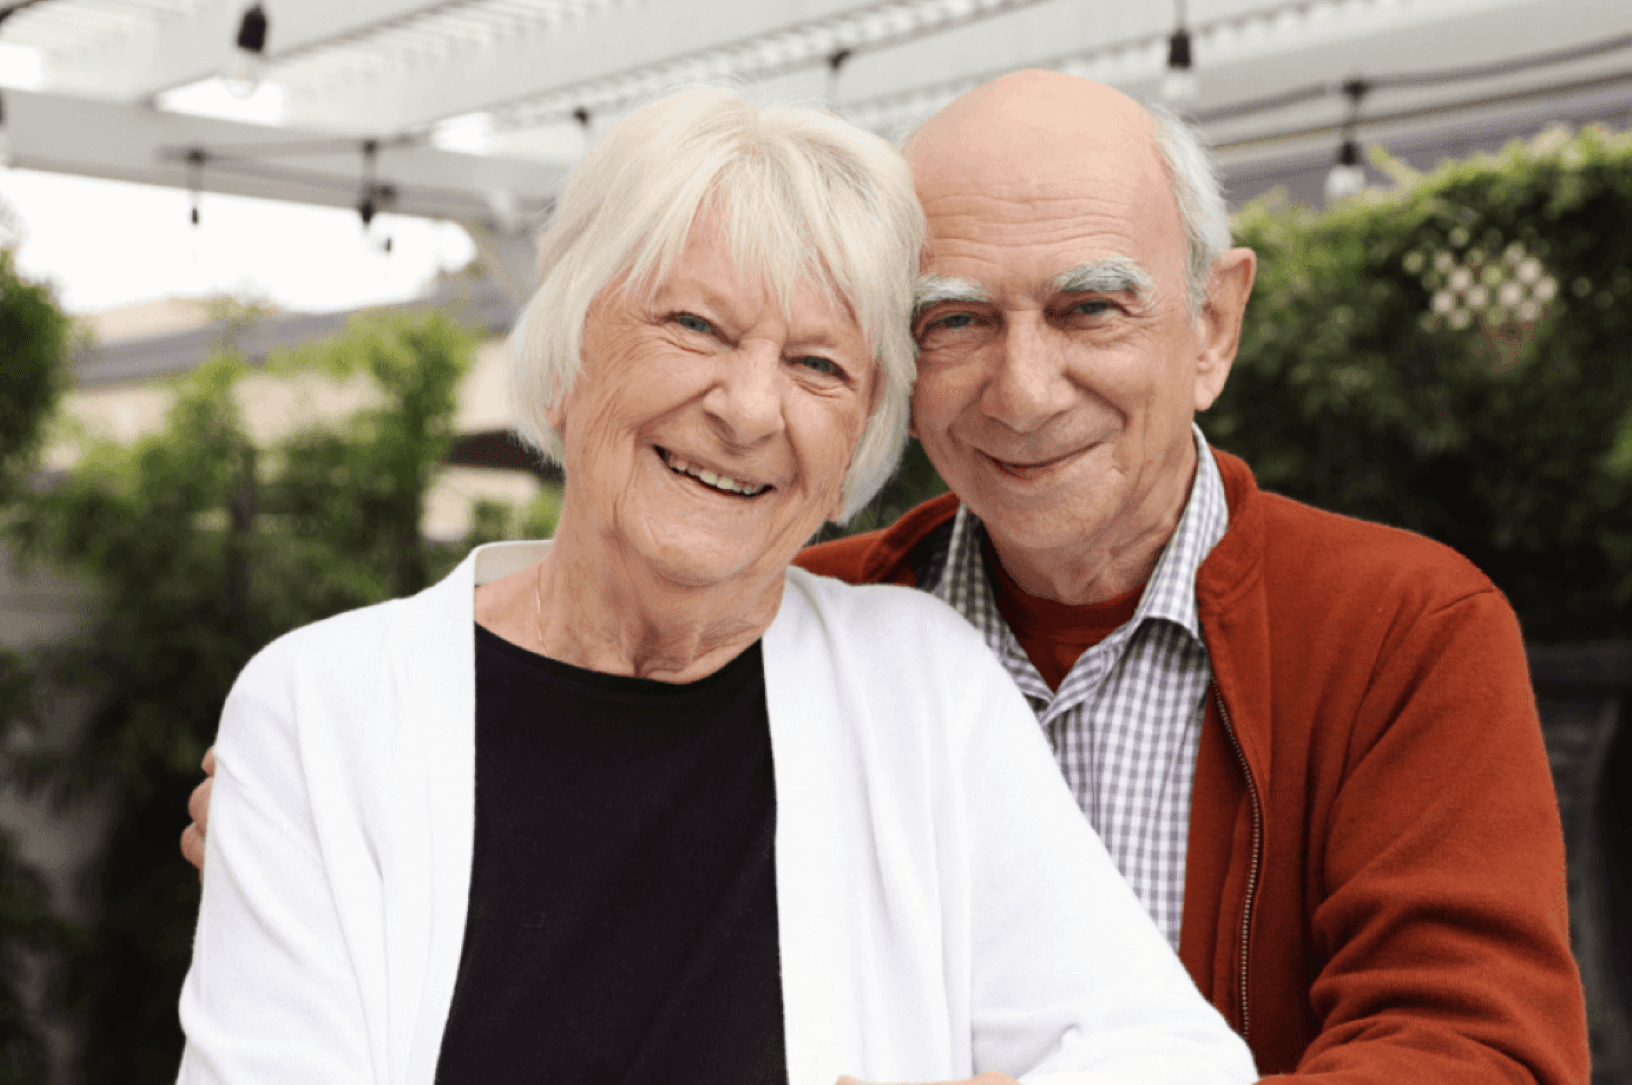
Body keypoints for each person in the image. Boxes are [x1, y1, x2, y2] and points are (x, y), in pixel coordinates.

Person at [184, 71, 1592, 1082]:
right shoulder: (861, 610)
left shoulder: (1384, 628)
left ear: (1211, 328)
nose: (1027, 387)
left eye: (1093, 306)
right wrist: (297, 796)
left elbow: (1462, 1050)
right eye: (959, 321)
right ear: (567, 354)